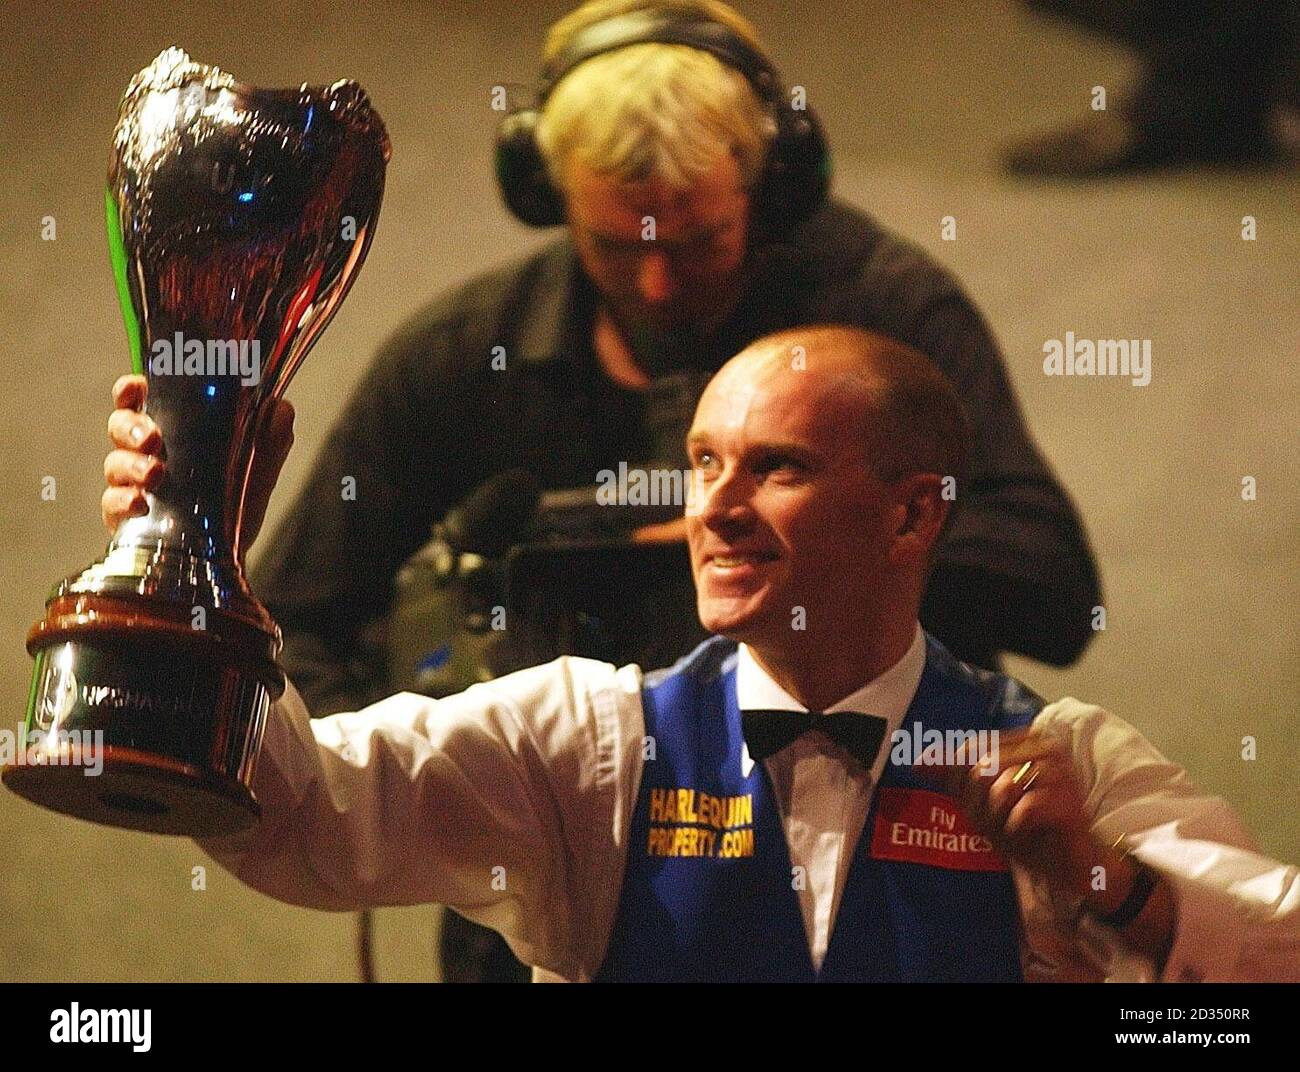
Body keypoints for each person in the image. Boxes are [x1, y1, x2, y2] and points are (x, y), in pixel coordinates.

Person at [107, 0, 1103, 982]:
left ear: (772, 186)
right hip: (548, 840)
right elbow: (300, 621)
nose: (661, 283)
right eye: (620, 245)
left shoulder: (882, 315)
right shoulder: (461, 357)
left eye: (699, 241)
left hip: (894, 828)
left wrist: (789, 562)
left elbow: (1052, 584)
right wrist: (438, 788)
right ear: (548, 198)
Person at [102, 324, 1299, 982]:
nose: (714, 509)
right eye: (706, 461)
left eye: (775, 467)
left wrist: (1108, 886)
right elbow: (297, 813)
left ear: (908, 514)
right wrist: (192, 555)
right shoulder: (581, 744)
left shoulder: (1059, 762)